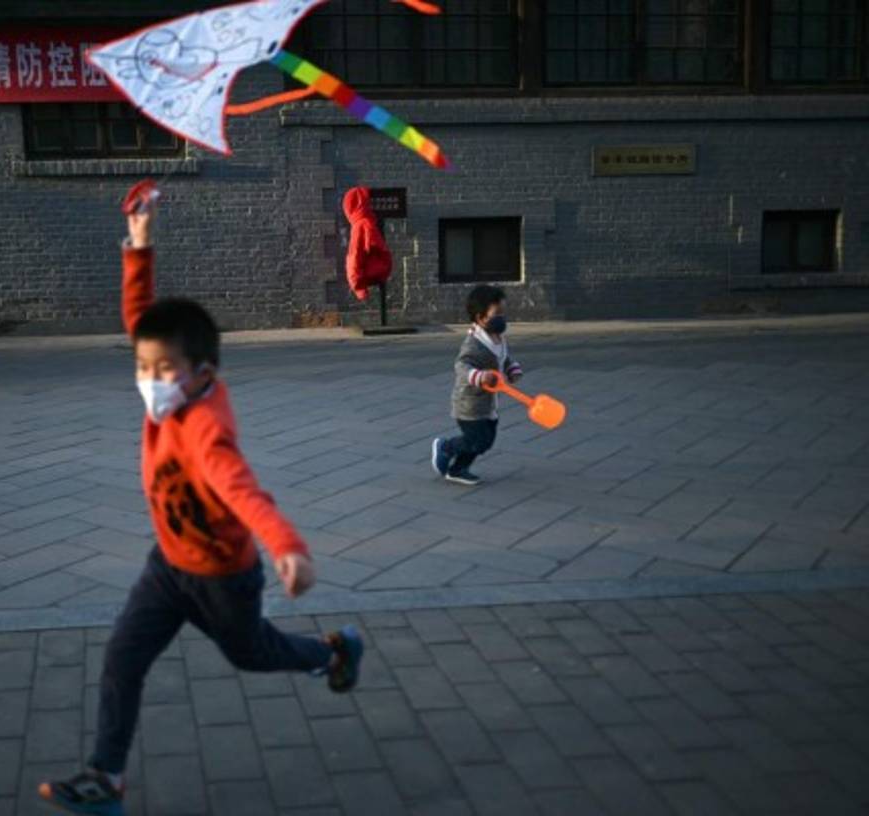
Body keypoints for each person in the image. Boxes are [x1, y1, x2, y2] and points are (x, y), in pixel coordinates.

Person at [39, 192, 364, 816]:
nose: (150, 380)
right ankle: (105, 777)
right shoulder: (171, 384)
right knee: (122, 656)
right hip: (168, 565)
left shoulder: (203, 430)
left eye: (164, 370)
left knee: (254, 654)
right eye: (143, 368)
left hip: (221, 577)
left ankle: (333, 652)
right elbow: (143, 320)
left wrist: (288, 547)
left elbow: (243, 489)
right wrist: (139, 239)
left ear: (203, 373)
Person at [431, 284, 524, 486]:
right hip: (470, 404)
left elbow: (503, 357)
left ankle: (458, 469)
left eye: (503, 312)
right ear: (481, 318)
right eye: (497, 314)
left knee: (485, 441)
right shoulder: (473, 344)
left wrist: (511, 368)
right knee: (477, 440)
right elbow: (461, 365)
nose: (502, 318)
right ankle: (446, 447)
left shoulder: (498, 338)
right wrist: (479, 376)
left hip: (489, 403)